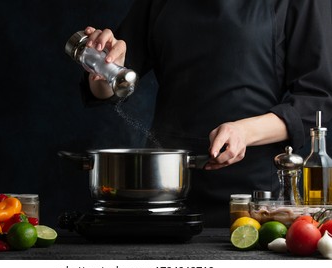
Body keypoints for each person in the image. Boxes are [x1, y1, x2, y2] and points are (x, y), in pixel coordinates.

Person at [78, 0, 332, 227]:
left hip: (254, 197)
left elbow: (316, 99)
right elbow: (110, 88)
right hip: (167, 187)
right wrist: (101, 65)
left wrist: (244, 131)